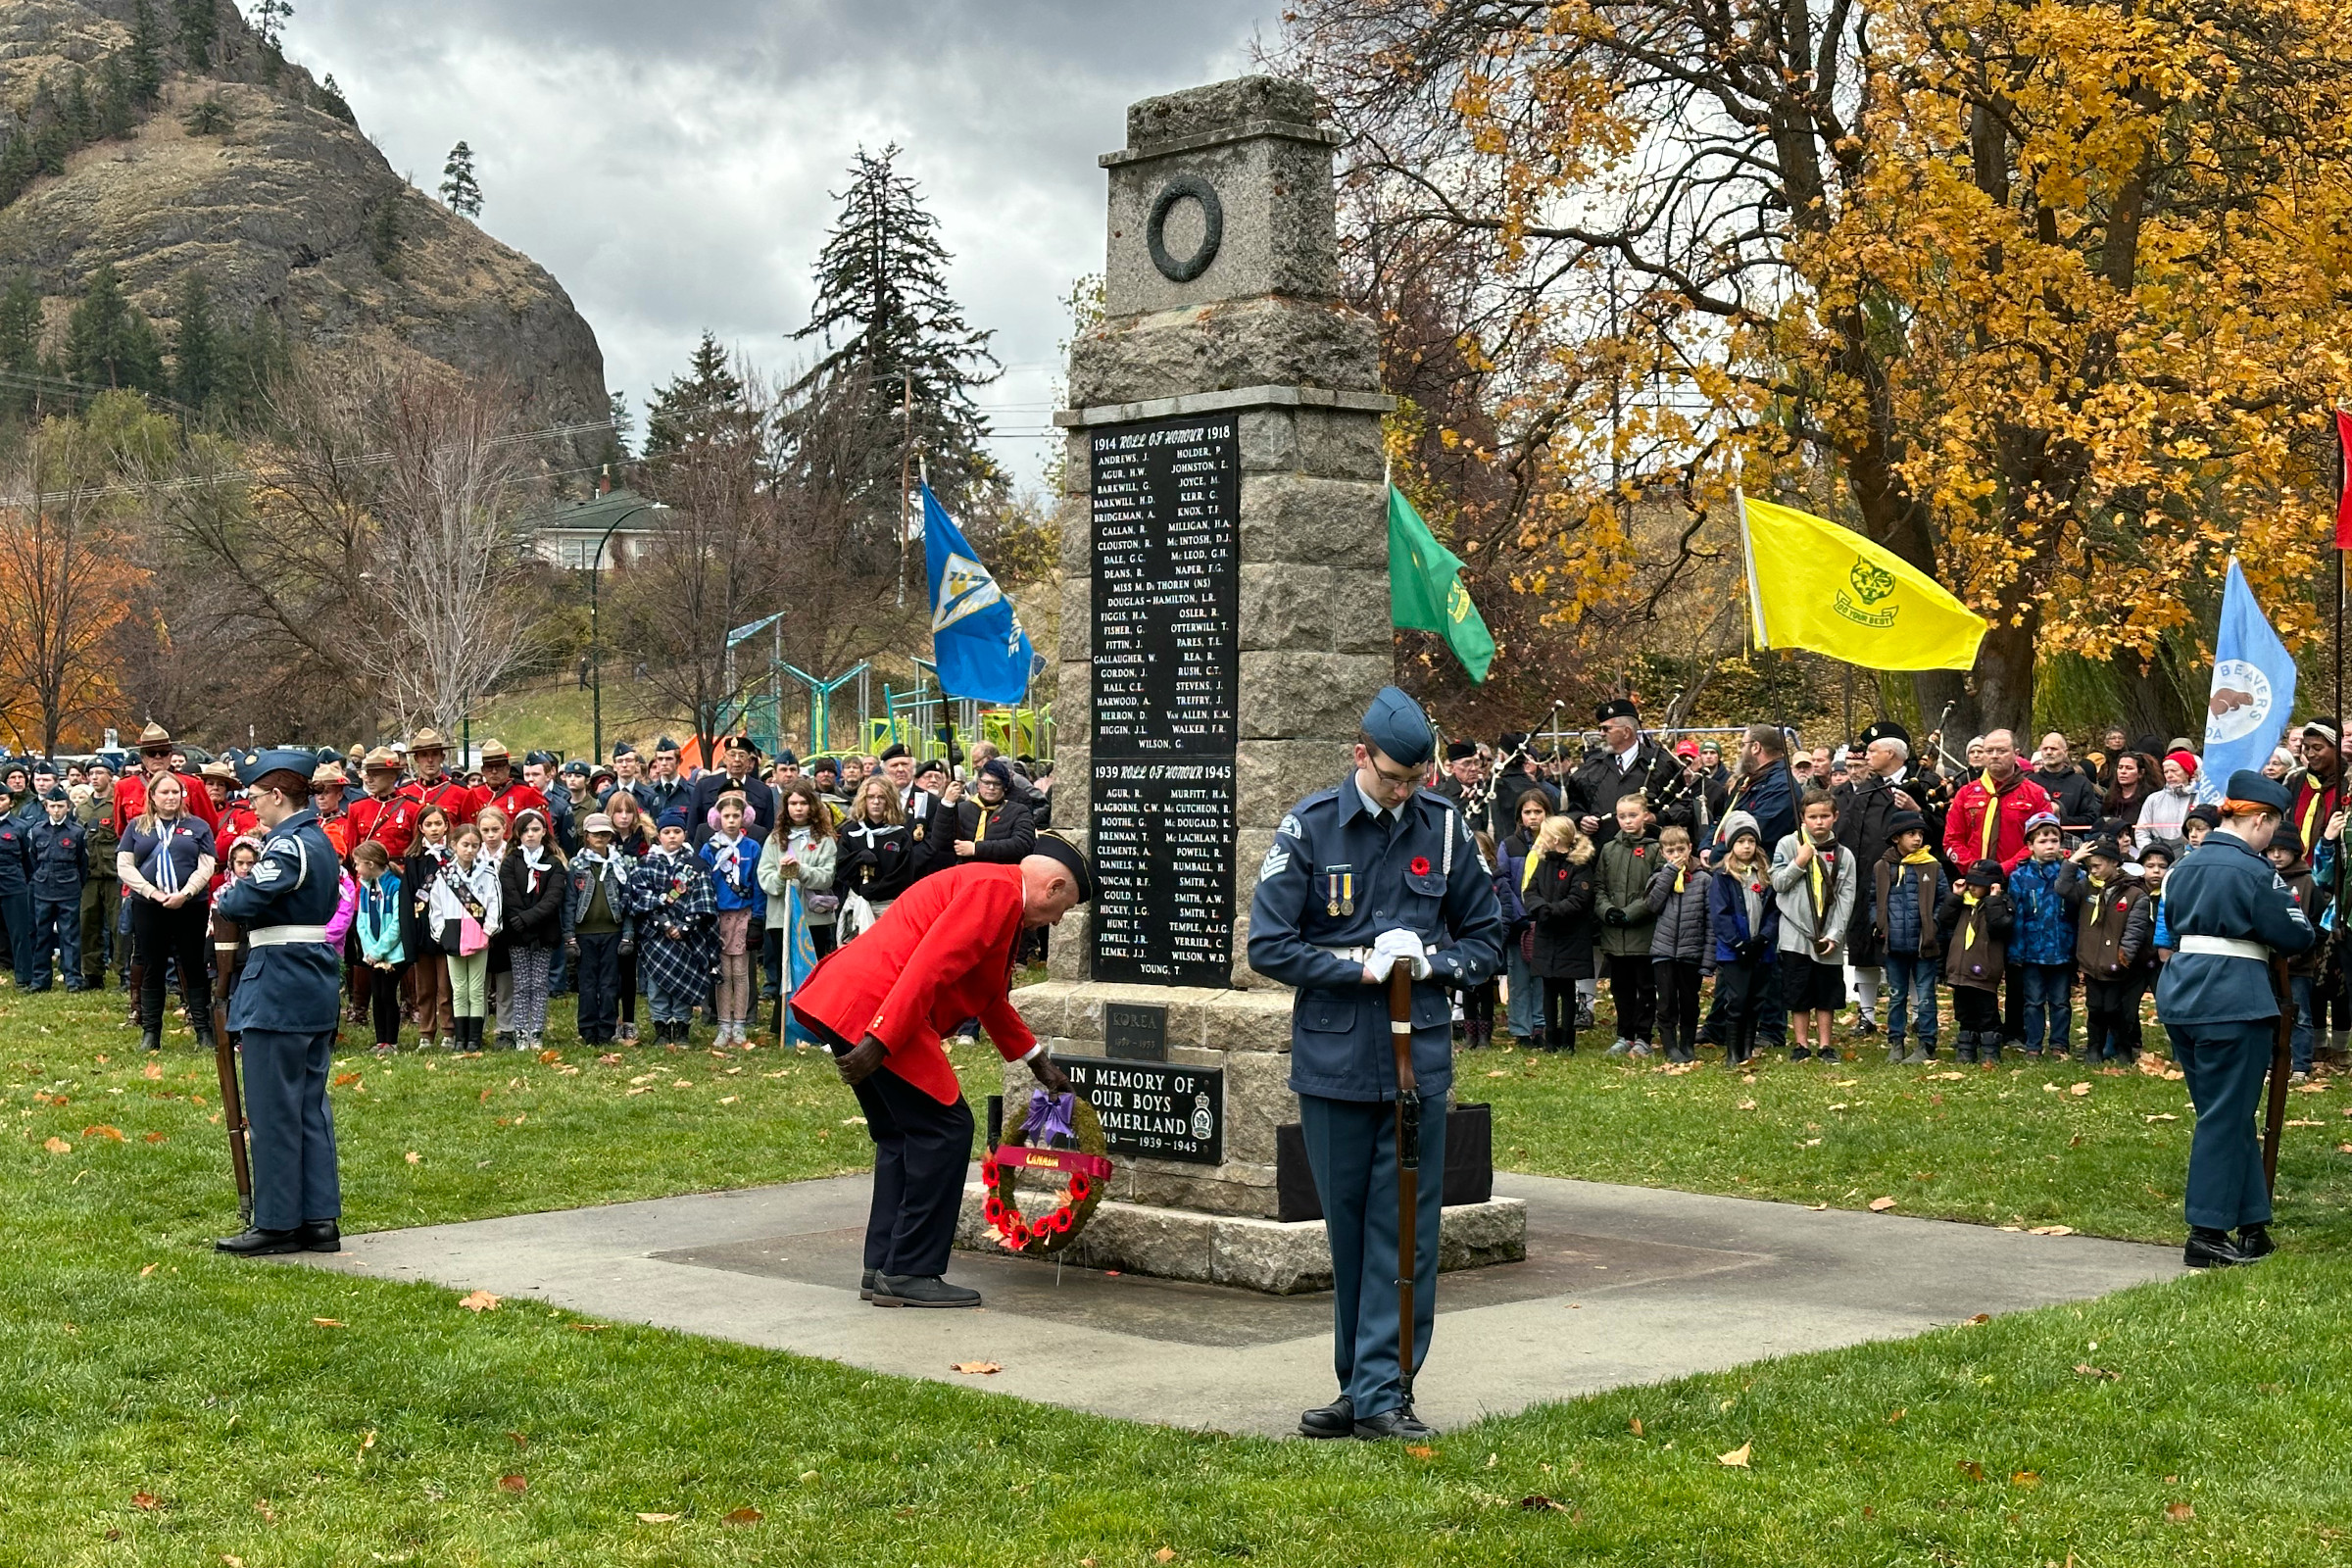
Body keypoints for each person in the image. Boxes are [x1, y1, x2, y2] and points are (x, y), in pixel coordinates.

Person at [1247, 687, 1505, 1442]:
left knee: (1406, 1229)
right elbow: (1270, 945)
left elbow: (1486, 940)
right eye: (1393, 776)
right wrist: (1359, 965)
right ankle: (1357, 1388)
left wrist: (1430, 964)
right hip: (1334, 1057)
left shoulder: (1447, 829)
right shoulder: (1311, 826)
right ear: (1360, 755)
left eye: (1416, 778)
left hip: (1414, 1062)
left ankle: (1390, 1388)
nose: (1404, 791)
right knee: (1349, 1228)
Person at [790, 835, 1093, 1310]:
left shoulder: (997, 894)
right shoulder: (994, 891)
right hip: (879, 1009)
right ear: (1052, 888)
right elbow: (927, 966)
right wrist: (882, 1038)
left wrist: (1039, 1062)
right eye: (1062, 909)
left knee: (904, 1136)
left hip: (860, 1002)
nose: (1056, 921)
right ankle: (910, 1270)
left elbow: (988, 995)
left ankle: (884, 1265)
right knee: (945, 1130)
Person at [2155, 768, 2315, 1267]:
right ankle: (2206, 1231)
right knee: (2225, 1116)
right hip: (2232, 997)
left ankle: (2252, 1225)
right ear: (2261, 820)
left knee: (2224, 1112)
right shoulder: (2253, 870)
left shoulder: (2184, 863)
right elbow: (2297, 934)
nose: (2273, 839)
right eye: (2274, 827)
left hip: (2182, 992)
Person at [211, 749, 348, 1256]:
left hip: (281, 982)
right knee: (309, 1104)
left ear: (275, 795)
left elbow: (242, 901)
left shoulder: (289, 845)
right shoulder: (320, 841)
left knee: (273, 1107)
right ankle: (317, 1218)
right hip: (308, 975)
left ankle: (277, 1221)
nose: (251, 806)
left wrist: (229, 893)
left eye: (254, 796)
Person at [1835, 721, 1925, 1037]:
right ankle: (1867, 1016)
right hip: (1865, 883)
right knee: (1864, 950)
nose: (1865, 755)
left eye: (1872, 750)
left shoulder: (1923, 783)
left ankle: (1917, 1013)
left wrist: (1917, 809)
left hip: (1905, 883)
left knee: (1904, 948)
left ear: (1891, 752)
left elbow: (1938, 831)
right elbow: (1846, 831)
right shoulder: (1867, 789)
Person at [117, 773, 218, 1052]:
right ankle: (151, 1033)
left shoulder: (198, 826)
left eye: (176, 792)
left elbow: (207, 864)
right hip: (150, 905)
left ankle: (204, 1032)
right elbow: (125, 865)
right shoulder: (137, 827)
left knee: (194, 965)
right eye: (165, 792)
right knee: (153, 965)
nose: (171, 797)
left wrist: (185, 893)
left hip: (190, 905)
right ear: (152, 796)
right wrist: (153, 892)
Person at [1770, 787, 1854, 1060]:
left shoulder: (1844, 856)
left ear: (1835, 817)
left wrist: (1835, 934)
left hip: (1827, 935)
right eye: (1813, 816)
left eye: (1825, 816)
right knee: (1799, 992)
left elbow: (1846, 898)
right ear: (1802, 818)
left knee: (1826, 992)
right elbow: (1779, 883)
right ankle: (1801, 1044)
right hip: (1795, 934)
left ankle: (1825, 1044)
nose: (1819, 822)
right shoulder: (1787, 844)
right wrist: (1799, 862)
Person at [630, 810, 716, 1044]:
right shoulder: (646, 863)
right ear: (658, 836)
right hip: (655, 936)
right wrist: (665, 924)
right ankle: (660, 1027)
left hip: (687, 936)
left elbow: (704, 898)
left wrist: (685, 927)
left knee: (684, 980)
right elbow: (639, 896)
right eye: (666, 832)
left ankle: (681, 1027)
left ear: (684, 834)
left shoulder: (696, 864)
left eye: (676, 832)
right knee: (657, 984)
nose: (672, 837)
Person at [1872, 809, 1948, 1063]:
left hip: (1924, 944)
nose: (1917, 839)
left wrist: (1933, 925)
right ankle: (1895, 1041)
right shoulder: (1882, 867)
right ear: (1896, 838)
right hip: (1893, 944)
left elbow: (1943, 900)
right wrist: (1878, 923)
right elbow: (1873, 899)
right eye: (1911, 834)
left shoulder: (1932, 865)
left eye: (1920, 834)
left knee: (1926, 994)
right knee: (1895, 995)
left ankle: (1927, 1043)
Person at [2070, 837, 2151, 1063]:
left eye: (2097, 866)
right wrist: (2072, 863)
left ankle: (2123, 1048)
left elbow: (2135, 930)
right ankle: (2093, 1049)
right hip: (2091, 961)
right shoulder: (2085, 887)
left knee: (2115, 1009)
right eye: (2090, 867)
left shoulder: (2135, 894)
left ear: (2115, 863)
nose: (2093, 871)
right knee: (2095, 1008)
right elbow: (2062, 889)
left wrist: (2124, 955)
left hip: (2116, 963)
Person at [1522, 813, 1596, 1053]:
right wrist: (1540, 909)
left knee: (1566, 989)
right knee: (1548, 988)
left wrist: (1551, 911)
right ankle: (1550, 1038)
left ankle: (1568, 1038)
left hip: (1570, 936)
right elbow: (1530, 891)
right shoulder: (1544, 862)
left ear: (1555, 839)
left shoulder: (1580, 866)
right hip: (1547, 935)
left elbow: (1578, 900)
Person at [2005, 814, 2079, 1059]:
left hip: (2062, 947)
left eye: (2054, 840)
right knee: (2033, 1001)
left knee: (2060, 1001)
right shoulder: (2019, 876)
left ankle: (2059, 1044)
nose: (2050, 846)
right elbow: (2017, 917)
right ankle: (2033, 1044)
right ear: (2030, 845)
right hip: (2032, 950)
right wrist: (2016, 952)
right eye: (2043, 841)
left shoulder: (2072, 874)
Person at [696, 791, 766, 1047]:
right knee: (722, 972)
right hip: (717, 915)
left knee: (741, 972)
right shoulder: (709, 848)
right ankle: (723, 1024)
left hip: (744, 914)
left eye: (736, 815)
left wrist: (758, 918)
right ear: (718, 818)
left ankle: (740, 1023)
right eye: (727, 816)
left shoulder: (752, 847)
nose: (732, 821)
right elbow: (702, 882)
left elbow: (758, 884)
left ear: (744, 817)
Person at [1592, 793, 1660, 1055]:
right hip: (1614, 933)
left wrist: (1631, 913)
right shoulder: (1609, 849)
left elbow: (1655, 889)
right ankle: (1625, 1034)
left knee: (1645, 986)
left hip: (1643, 932)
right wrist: (1607, 910)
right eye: (1622, 816)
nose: (1627, 821)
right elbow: (1599, 886)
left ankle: (1644, 1035)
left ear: (1645, 815)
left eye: (1633, 815)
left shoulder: (1655, 848)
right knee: (1620, 987)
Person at [1708, 811, 1778, 1066]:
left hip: (1762, 947)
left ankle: (1747, 1047)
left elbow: (1773, 910)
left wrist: (1764, 938)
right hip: (1734, 950)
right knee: (1736, 999)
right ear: (1731, 845)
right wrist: (1736, 942)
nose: (1746, 846)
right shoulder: (1723, 876)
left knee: (1756, 998)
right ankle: (1732, 1051)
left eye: (1750, 841)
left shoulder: (1766, 874)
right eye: (1740, 842)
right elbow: (1720, 913)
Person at [1568, 699, 1686, 846]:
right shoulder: (1591, 767)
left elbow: (1683, 805)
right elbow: (1574, 807)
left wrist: (1657, 818)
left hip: (1651, 855)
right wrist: (1581, 820)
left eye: (1606, 729)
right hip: (1603, 858)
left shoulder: (1661, 764)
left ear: (1626, 732)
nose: (1601, 734)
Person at [426, 823, 502, 1052]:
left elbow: (494, 903)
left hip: (479, 934)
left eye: (474, 846)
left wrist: (488, 930)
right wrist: (440, 933)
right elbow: (435, 905)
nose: (469, 850)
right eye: (465, 845)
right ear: (454, 845)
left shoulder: (488, 873)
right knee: (458, 988)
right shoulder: (444, 875)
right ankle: (460, 1037)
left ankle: (474, 1039)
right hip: (453, 934)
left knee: (476, 989)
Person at [499, 808, 568, 1052]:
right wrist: (522, 922)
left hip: (544, 932)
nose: (530, 834)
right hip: (517, 933)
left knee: (539, 984)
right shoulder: (510, 862)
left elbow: (553, 898)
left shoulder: (553, 864)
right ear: (518, 833)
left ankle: (536, 1032)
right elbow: (509, 895)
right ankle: (520, 1032)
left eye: (536, 829)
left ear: (544, 832)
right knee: (521, 984)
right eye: (526, 830)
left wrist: (529, 919)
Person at [566, 812, 636, 1047]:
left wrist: (627, 934)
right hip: (585, 934)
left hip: (612, 932)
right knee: (587, 984)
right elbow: (569, 902)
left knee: (609, 984)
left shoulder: (619, 864)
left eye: (605, 833)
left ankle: (607, 1029)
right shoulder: (576, 865)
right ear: (586, 836)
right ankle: (587, 1029)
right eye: (595, 833)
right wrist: (569, 936)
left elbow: (627, 903)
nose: (600, 837)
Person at [1644, 823, 1712, 1063]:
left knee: (1689, 1000)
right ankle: (1670, 1045)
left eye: (1680, 850)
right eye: (1670, 851)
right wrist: (1669, 874)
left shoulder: (1703, 880)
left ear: (1690, 848)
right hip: (1663, 951)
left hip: (1691, 951)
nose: (1676, 856)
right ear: (1663, 853)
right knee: (1666, 1001)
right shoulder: (1658, 877)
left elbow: (1710, 920)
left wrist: (1707, 960)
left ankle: (1687, 1042)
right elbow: (1652, 905)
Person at [1942, 729, 2053, 873]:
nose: (1994, 756)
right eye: (1988, 751)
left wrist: (2004, 869)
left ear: (2016, 754)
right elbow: (1952, 839)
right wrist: (1974, 867)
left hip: (2022, 878)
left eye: (2001, 751)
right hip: (1974, 878)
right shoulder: (1965, 794)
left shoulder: (2036, 794)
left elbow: (2044, 839)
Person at [1938, 860, 2015, 1063]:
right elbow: (1944, 919)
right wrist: (1955, 896)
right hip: (1961, 969)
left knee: (1986, 1012)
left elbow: (2000, 926)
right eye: (1970, 882)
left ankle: (1990, 1049)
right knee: (1963, 1011)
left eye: (1977, 884)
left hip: (1985, 970)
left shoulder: (2001, 904)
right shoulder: (1963, 903)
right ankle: (1966, 1048)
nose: (1971, 887)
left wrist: (1993, 900)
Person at [401, 804, 457, 1050]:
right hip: (422, 928)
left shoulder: (454, 857)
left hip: (446, 928)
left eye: (438, 823)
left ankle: (448, 1030)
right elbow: (407, 897)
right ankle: (426, 1032)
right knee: (424, 987)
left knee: (446, 987)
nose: (434, 829)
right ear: (421, 828)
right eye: (429, 824)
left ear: (446, 826)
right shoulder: (413, 860)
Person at [1495, 790, 1549, 1045]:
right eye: (1528, 812)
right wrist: (1519, 914)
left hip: (1546, 920)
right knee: (1518, 976)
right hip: (1519, 922)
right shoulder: (1510, 845)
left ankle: (1540, 1024)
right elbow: (1503, 881)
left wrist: (1544, 911)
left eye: (1538, 811)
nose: (1533, 817)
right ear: (1520, 816)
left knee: (1541, 976)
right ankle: (1520, 1028)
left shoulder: (1554, 844)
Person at [23, 788, 87, 991]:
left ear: (68, 807)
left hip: (68, 890)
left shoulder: (77, 832)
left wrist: (76, 883)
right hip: (43, 890)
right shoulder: (38, 830)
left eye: (60, 806)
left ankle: (73, 979)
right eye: (52, 806)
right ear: (46, 807)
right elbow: (33, 859)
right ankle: (40, 979)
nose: (57, 810)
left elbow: (82, 863)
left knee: (70, 936)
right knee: (42, 935)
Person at [839, 775, 920, 923]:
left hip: (887, 908)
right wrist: (857, 858)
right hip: (857, 905)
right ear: (864, 799)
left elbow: (904, 875)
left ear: (889, 800)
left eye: (881, 797)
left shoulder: (899, 834)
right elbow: (841, 869)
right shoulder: (851, 832)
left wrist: (876, 889)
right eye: (871, 797)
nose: (876, 802)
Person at [115, 723, 220, 837]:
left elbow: (210, 827)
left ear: (170, 755)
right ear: (143, 757)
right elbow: (121, 831)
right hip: (141, 851)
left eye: (163, 752)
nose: (158, 757)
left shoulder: (192, 784)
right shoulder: (124, 786)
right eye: (151, 753)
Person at [352, 841, 407, 1054]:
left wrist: (379, 950)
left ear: (371, 864)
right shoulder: (366, 888)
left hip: (393, 954)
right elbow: (362, 922)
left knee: (388, 994)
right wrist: (370, 951)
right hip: (373, 954)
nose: (356, 869)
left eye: (358, 864)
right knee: (377, 994)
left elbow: (396, 925)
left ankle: (391, 1041)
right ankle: (380, 1040)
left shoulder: (395, 887)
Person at [73, 757, 121, 992]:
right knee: (87, 924)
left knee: (119, 926)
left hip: (114, 874)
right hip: (89, 873)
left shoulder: (116, 804)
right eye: (91, 774)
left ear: (110, 776)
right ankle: (92, 973)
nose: (95, 777)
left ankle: (125, 973)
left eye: (100, 773)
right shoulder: (83, 808)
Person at [689, 734, 779, 834]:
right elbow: (693, 826)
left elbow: (768, 829)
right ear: (724, 758)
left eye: (741, 755)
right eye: (732, 755)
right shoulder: (705, 786)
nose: (736, 760)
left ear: (749, 761)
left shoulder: (763, 791)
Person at [2029, 733, 2103, 841]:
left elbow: (2091, 818)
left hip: (2071, 843)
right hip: (2034, 843)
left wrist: (2061, 818)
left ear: (2065, 752)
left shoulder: (2081, 783)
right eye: (2045, 749)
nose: (2049, 752)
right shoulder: (2030, 782)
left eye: (2054, 749)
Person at [2136, 751, 2201, 854]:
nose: (2169, 775)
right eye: (2166, 772)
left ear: (2187, 772)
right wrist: (2150, 854)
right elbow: (2141, 831)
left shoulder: (2200, 799)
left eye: (2174, 771)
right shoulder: (2154, 799)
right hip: (2159, 856)